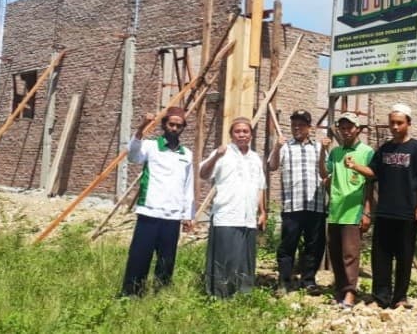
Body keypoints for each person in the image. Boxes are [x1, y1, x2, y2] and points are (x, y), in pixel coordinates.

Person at [120, 107, 194, 297]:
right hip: (149, 212)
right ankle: (132, 294)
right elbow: (132, 156)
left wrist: (187, 215)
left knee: (167, 259)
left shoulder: (186, 154)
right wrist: (142, 127)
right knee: (139, 256)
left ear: (183, 128)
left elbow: (188, 185)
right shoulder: (150, 146)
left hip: (173, 215)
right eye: (171, 124)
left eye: (179, 125)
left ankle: (161, 294)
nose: (175, 128)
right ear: (164, 125)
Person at [369, 103, 417, 309]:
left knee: (404, 256)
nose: (395, 127)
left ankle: (400, 297)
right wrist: (354, 167)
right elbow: (372, 172)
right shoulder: (385, 149)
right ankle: (381, 296)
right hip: (385, 211)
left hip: (407, 212)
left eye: (399, 123)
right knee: (381, 256)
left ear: (408, 124)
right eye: (392, 123)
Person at [199, 116, 267, 298]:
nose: (242, 135)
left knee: (245, 260)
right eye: (238, 131)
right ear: (231, 134)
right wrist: (216, 158)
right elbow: (203, 174)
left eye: (246, 131)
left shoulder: (255, 158)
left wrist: (262, 211)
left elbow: (260, 186)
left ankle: (243, 294)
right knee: (224, 259)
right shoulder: (222, 153)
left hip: (248, 218)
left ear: (251, 135)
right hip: (226, 215)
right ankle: (220, 296)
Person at [320, 112, 374, 309]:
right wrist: (322, 151)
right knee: (335, 252)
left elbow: (371, 181)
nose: (346, 131)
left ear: (357, 129)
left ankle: (351, 292)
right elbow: (324, 173)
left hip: (354, 210)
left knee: (350, 253)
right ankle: (340, 288)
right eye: (342, 128)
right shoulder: (335, 152)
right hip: (335, 210)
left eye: (350, 127)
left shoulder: (367, 152)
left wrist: (367, 211)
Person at [268, 109, 325, 294]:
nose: (297, 128)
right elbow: (272, 166)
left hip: (315, 204)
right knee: (287, 245)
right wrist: (276, 147)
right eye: (294, 125)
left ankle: (308, 280)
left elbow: (326, 172)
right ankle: (284, 281)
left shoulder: (318, 147)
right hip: (292, 205)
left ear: (309, 127)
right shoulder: (285, 146)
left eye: (301, 125)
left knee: (313, 246)